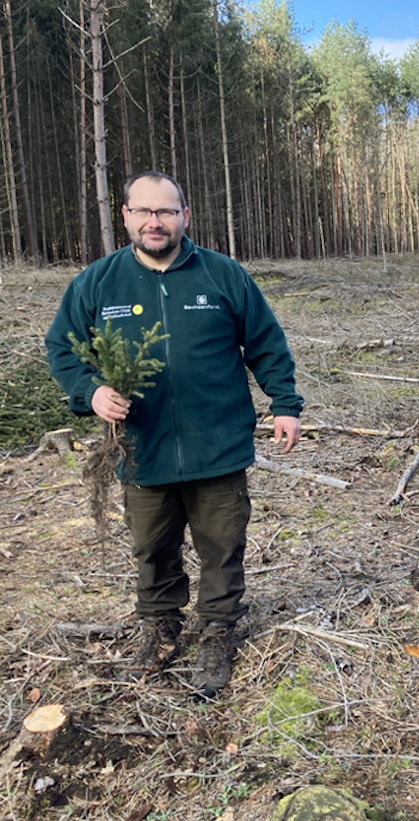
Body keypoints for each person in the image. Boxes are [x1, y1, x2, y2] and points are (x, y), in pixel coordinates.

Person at [46, 171, 303, 699]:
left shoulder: (222, 275)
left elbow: (265, 343)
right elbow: (63, 349)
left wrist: (286, 405)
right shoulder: (98, 282)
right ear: (126, 217)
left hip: (218, 444)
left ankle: (215, 631)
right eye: (143, 211)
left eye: (165, 211)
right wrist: (90, 392)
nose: (154, 221)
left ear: (185, 216)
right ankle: (160, 629)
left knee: (221, 545)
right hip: (142, 447)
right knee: (151, 547)